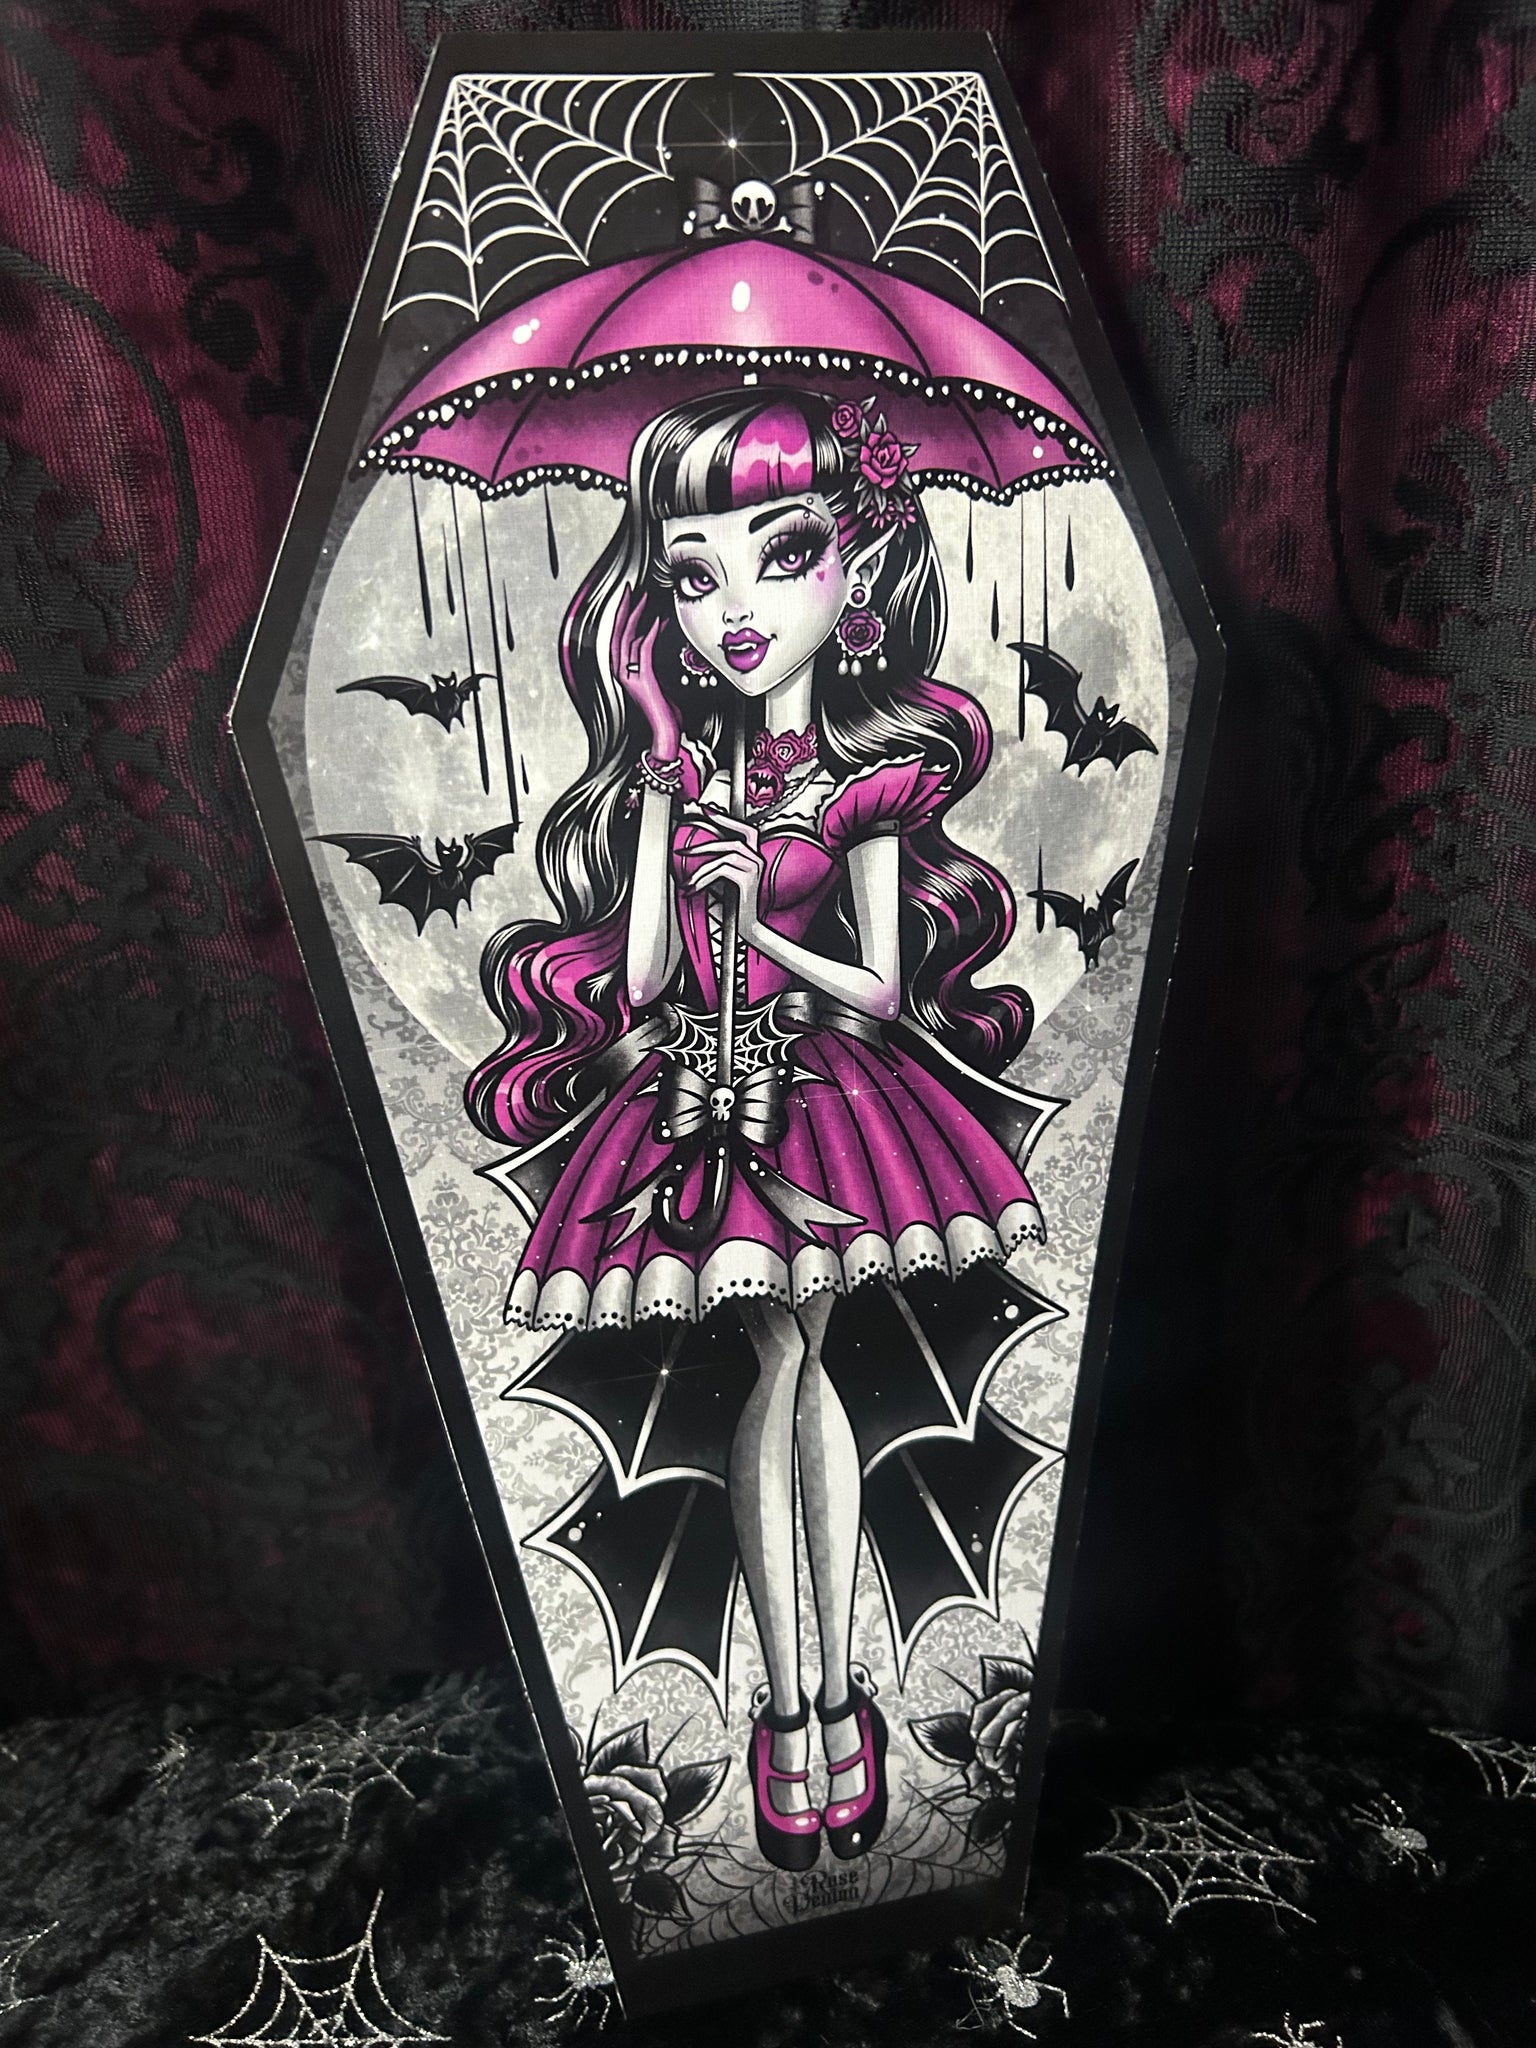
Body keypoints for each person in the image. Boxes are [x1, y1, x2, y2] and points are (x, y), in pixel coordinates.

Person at [469, 387, 1048, 1873]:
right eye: (692, 573)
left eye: (781, 555)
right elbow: (640, 978)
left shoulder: (867, 785)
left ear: (857, 573)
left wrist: (764, 924)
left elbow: (881, 985)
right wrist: (672, 838)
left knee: (798, 1357)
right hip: (696, 1093)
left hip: (825, 1094)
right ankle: (807, 1704)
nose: (734, 608)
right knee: (783, 1358)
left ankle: (817, 1706)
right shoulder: (676, 776)